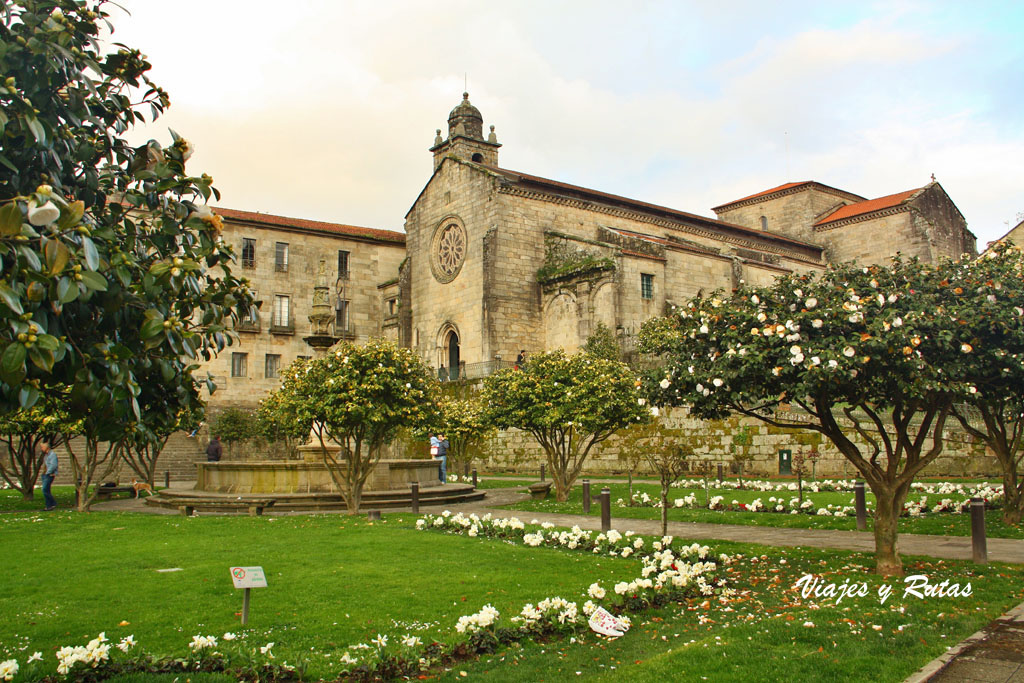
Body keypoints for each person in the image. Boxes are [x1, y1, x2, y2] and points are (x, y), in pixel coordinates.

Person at [39, 440, 58, 511]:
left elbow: (53, 465)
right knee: (46, 490)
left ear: (46, 447)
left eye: (42, 447)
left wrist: (48, 472)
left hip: (49, 474)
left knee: (44, 489)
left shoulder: (52, 455)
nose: (41, 449)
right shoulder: (46, 455)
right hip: (45, 474)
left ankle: (53, 503)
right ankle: (48, 506)